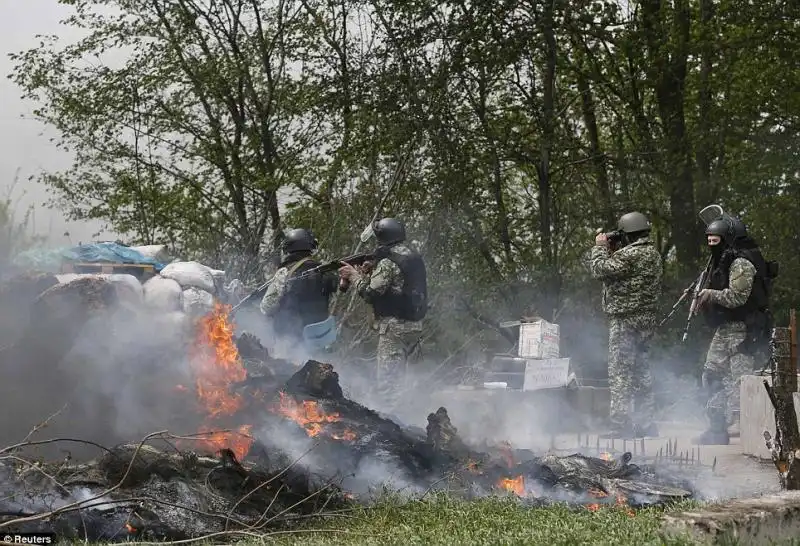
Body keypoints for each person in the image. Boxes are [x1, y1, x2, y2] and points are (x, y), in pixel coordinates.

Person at [693, 215, 773, 445]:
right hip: (726, 328)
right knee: (711, 374)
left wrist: (710, 295)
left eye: (715, 240)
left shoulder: (741, 263)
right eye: (709, 240)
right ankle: (717, 428)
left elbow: (737, 297)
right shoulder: (722, 262)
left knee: (741, 383)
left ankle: (749, 434)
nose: (712, 245)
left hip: (744, 329)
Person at [338, 218, 428, 413]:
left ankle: (394, 425)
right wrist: (370, 271)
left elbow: (371, 293)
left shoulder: (387, 262)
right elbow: (397, 284)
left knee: (388, 384)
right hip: (414, 325)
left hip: (394, 328)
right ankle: (413, 417)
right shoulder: (412, 255)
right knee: (408, 380)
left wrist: (354, 276)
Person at [589, 211, 663, 439]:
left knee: (620, 372)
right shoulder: (652, 253)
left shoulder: (630, 254)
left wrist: (600, 246)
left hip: (625, 320)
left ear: (627, 234)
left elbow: (599, 269)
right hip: (646, 320)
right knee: (641, 372)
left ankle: (620, 424)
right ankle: (647, 423)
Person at [260, 228, 342, 358]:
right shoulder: (325, 271)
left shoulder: (284, 272)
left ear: (289, 248)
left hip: (291, 342)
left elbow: (267, 307)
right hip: (319, 338)